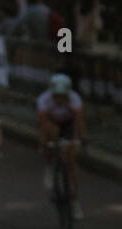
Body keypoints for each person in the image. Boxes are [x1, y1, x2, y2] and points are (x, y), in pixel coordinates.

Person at [36, 72, 84, 219]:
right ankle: (50, 165)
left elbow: (79, 122)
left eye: (63, 96)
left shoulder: (75, 99)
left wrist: (81, 139)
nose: (60, 100)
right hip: (52, 124)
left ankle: (75, 202)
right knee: (51, 136)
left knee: (71, 161)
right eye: (57, 96)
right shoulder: (44, 100)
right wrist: (44, 142)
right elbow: (43, 124)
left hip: (68, 125)